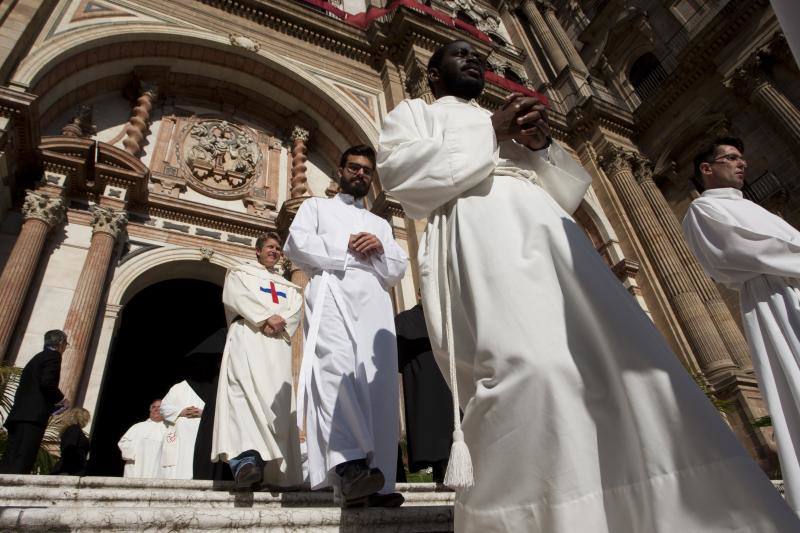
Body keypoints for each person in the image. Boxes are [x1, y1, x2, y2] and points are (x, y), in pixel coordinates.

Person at [377, 39, 799, 532]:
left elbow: (567, 190)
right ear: (432, 75)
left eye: (481, 56)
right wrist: (493, 131)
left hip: (550, 236)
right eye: (459, 54)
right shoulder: (414, 113)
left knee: (616, 365)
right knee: (531, 369)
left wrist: (541, 147)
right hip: (481, 234)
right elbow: (402, 178)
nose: (475, 60)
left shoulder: (510, 127)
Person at [283, 145, 408, 507]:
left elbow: (398, 268)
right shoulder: (316, 207)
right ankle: (349, 464)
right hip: (332, 290)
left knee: (377, 381)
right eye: (354, 167)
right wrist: (347, 245)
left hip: (374, 300)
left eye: (367, 171)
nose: (361, 174)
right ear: (339, 171)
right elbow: (296, 244)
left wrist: (380, 250)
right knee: (336, 371)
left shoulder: (381, 224)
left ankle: (379, 482)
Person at [682, 136, 800, 513]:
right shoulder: (702, 211)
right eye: (730, 158)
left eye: (741, 158)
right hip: (773, 298)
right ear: (706, 168)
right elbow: (738, 251)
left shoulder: (755, 208)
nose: (741, 163)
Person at [212, 232, 303, 489]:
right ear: (258, 251)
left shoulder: (290, 286)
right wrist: (264, 317)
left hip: (277, 348)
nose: (274, 251)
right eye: (270, 247)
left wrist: (279, 320)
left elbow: (296, 307)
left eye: (278, 248)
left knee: (278, 405)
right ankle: (245, 462)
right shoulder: (240, 273)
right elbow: (236, 297)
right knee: (243, 394)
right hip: (247, 339)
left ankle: (273, 471)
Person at [395, 301, 452, 483]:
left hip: (422, 390)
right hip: (446, 388)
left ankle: (440, 469)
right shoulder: (451, 318)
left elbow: (396, 357)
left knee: (435, 438)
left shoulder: (404, 322)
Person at [0, 330, 69, 474]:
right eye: (66, 344)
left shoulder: (37, 358)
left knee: (10, 457)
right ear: (61, 343)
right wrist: (62, 399)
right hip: (33, 417)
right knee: (24, 457)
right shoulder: (53, 357)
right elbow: (47, 382)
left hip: (19, 415)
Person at [159, 378, 204, 479]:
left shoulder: (213, 387)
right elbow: (163, 408)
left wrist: (204, 413)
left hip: (203, 431)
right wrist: (180, 412)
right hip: (181, 435)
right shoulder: (178, 387)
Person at [118, 399, 167, 479]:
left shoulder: (170, 427)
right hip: (137, 467)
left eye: (159, 407)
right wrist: (137, 452)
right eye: (153, 407)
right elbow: (123, 442)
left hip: (159, 469)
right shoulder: (138, 426)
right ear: (150, 409)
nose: (156, 409)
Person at [50, 407, 90, 476]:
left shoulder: (73, 429)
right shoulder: (74, 429)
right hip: (70, 470)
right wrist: (66, 471)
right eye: (86, 418)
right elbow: (69, 449)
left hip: (73, 469)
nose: (87, 421)